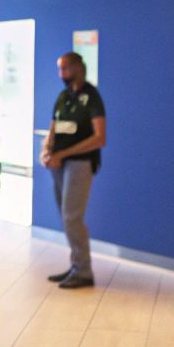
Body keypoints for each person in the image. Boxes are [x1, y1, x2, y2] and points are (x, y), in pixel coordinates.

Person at [41, 52, 107, 289]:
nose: (62, 74)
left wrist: (63, 154)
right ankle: (76, 264)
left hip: (80, 164)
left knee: (72, 217)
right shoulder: (63, 97)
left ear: (79, 68)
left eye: (66, 68)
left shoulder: (92, 96)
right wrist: (47, 151)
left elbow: (99, 138)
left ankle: (83, 270)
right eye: (59, 69)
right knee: (66, 217)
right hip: (59, 165)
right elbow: (53, 128)